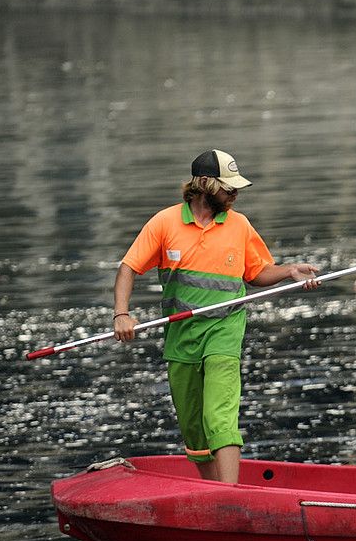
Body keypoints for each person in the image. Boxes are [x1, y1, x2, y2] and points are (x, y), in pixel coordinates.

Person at [112, 149, 319, 483]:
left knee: (218, 416)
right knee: (193, 429)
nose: (234, 194)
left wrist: (288, 271)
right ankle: (214, 494)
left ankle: (230, 495)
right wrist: (121, 314)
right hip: (181, 334)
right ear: (205, 183)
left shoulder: (239, 224)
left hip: (225, 327)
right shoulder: (165, 223)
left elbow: (256, 273)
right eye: (228, 187)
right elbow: (128, 268)